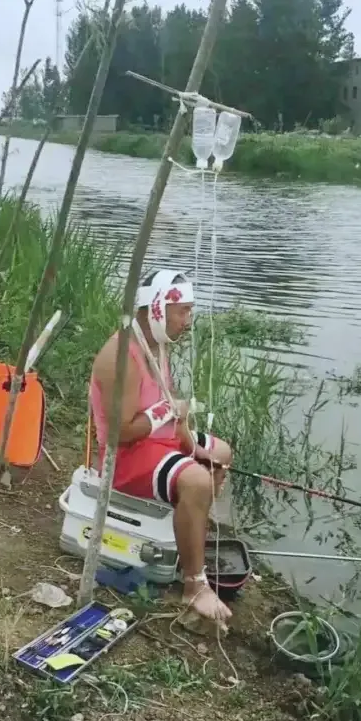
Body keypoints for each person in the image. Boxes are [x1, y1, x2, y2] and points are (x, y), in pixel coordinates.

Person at [90, 269, 233, 631]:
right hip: (125, 457)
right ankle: (194, 586)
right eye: (183, 311)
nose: (188, 321)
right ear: (157, 307)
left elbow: (169, 409)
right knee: (197, 481)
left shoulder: (155, 343)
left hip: (156, 441)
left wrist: (190, 443)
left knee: (221, 453)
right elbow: (121, 433)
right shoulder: (121, 355)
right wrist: (168, 412)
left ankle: (190, 530)